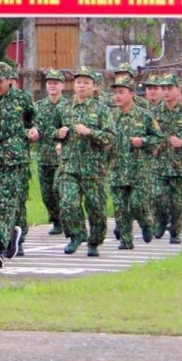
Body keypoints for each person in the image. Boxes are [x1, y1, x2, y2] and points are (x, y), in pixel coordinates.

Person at [0, 61, 37, 264]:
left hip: (14, 160)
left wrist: (33, 131)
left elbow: (33, 120)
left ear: (9, 80)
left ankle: (1, 244)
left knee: (7, 203)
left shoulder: (22, 98)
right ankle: (8, 235)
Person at [56, 68, 113, 256]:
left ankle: (94, 241)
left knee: (96, 208)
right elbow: (49, 130)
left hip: (93, 167)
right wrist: (58, 134)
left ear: (93, 86)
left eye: (86, 83)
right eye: (79, 82)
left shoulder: (101, 110)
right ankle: (76, 234)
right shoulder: (63, 108)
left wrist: (91, 132)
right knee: (68, 204)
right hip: (69, 165)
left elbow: (110, 138)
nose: (81, 86)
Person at [109, 76, 162, 249]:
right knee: (120, 207)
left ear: (131, 94)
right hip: (117, 169)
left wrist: (144, 141)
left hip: (139, 169)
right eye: (115, 93)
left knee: (138, 203)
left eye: (121, 92)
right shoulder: (110, 117)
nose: (117, 96)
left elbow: (159, 138)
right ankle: (126, 239)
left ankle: (146, 222)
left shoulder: (144, 115)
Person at [153, 73, 182, 244]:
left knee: (177, 203)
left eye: (170, 88)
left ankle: (175, 231)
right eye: (163, 88)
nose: (166, 92)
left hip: (180, 166)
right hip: (159, 165)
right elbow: (147, 135)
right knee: (158, 197)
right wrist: (152, 146)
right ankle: (161, 220)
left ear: (178, 90)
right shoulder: (154, 113)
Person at [33, 69, 66, 235]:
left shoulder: (68, 106)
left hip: (62, 158)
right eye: (50, 83)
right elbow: (34, 127)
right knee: (47, 194)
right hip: (44, 156)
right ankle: (55, 220)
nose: (52, 86)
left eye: (56, 83)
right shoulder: (38, 107)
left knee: (59, 190)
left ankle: (65, 219)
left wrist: (62, 138)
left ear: (62, 85)